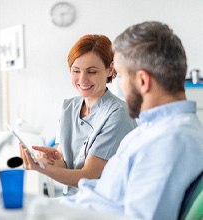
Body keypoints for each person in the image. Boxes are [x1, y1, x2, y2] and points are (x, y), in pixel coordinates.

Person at [56, 21, 203, 220]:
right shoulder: (151, 131)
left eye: (121, 76)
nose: (119, 86)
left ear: (143, 81)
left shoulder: (170, 141)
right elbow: (103, 193)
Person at [20, 34, 137, 196]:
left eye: (91, 71)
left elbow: (88, 176)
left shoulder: (118, 113)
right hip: (74, 201)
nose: (82, 79)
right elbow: (65, 164)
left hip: (102, 207)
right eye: (76, 71)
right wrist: (52, 160)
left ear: (110, 70)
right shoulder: (69, 107)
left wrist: (42, 168)